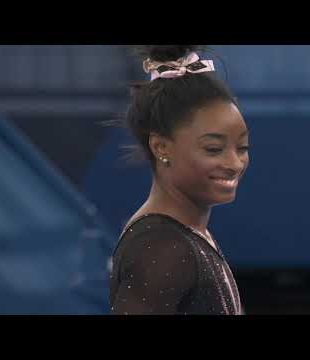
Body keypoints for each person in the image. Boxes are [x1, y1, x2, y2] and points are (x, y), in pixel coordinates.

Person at [109, 45, 250, 315]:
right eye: (213, 149)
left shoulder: (187, 235)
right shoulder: (162, 248)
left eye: (242, 148)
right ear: (162, 147)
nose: (234, 164)